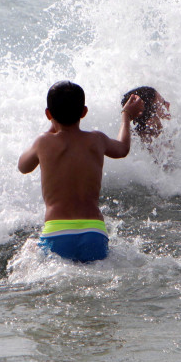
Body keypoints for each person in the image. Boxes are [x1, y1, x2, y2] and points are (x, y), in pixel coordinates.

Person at [18, 81, 144, 262]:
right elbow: (122, 149)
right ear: (84, 112)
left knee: (30, 250)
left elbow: (23, 166)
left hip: (57, 232)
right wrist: (126, 116)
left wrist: (50, 129)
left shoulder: (43, 142)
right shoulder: (96, 139)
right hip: (94, 232)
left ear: (48, 114)